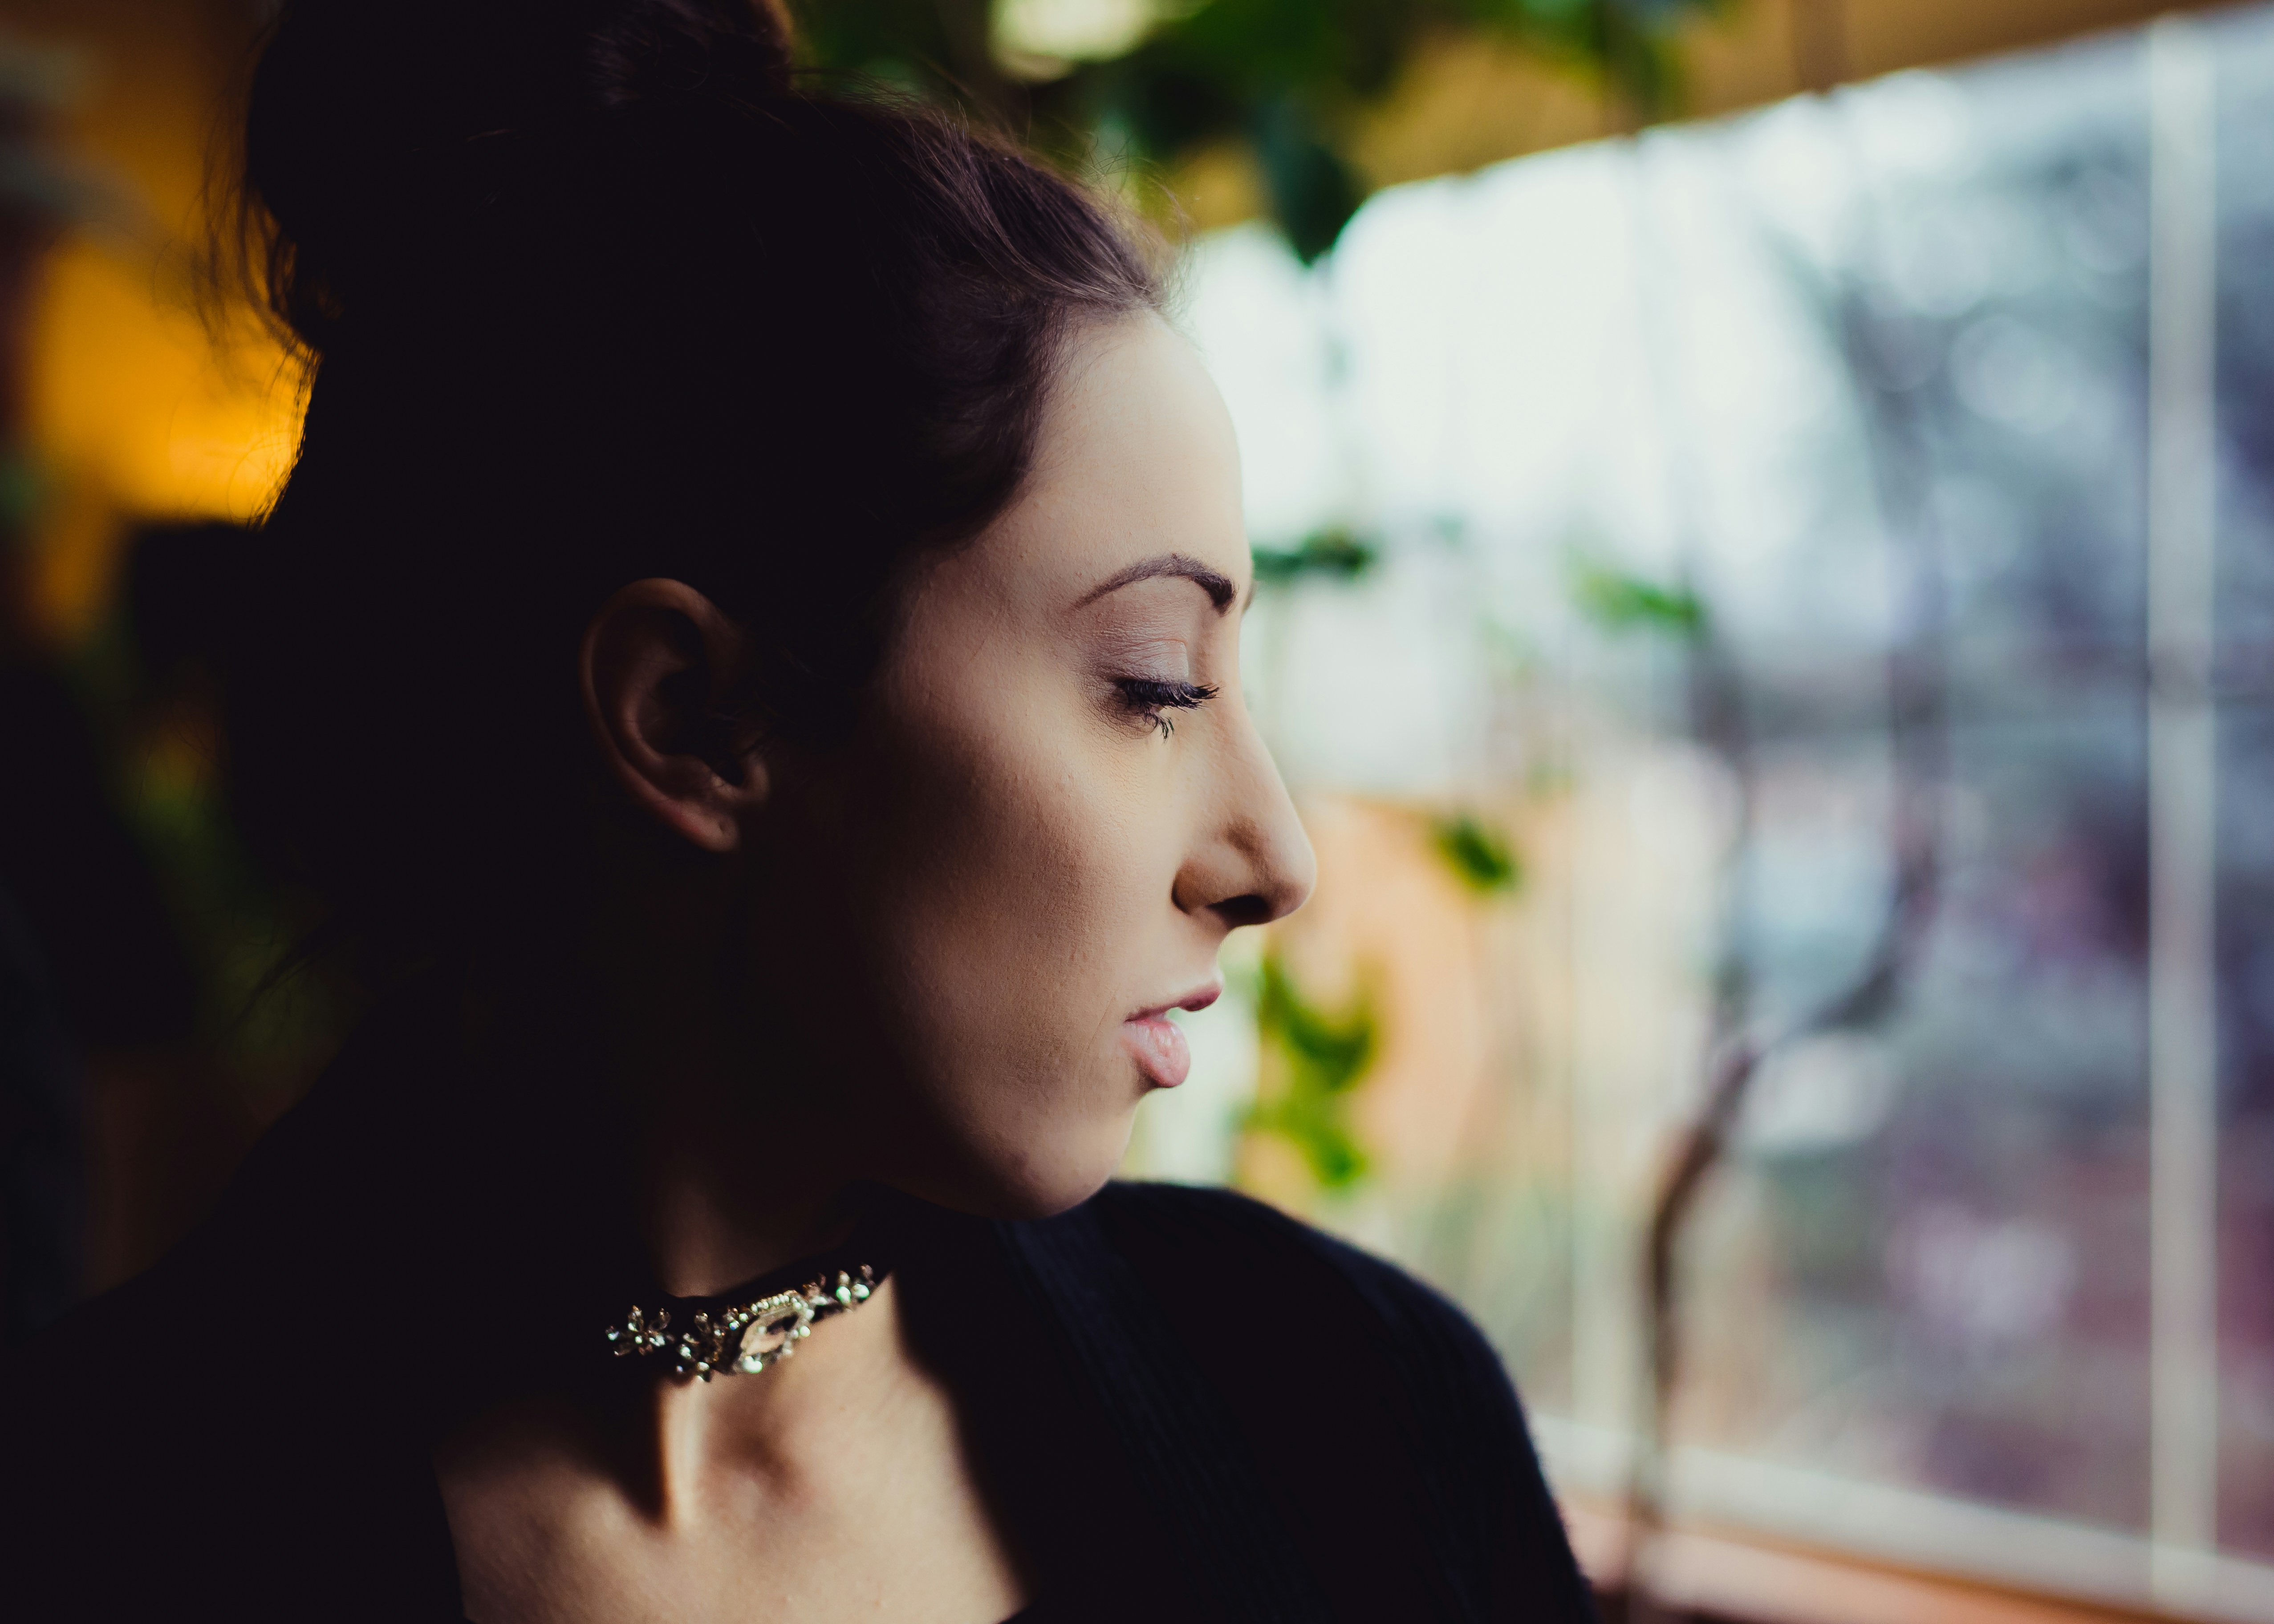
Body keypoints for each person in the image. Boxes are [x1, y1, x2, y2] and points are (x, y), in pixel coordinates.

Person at [0, 2, 1597, 1620]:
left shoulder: (1353, 1415)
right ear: (694, 720)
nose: (1278, 858)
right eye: (1151, 682)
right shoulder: (89, 1527)